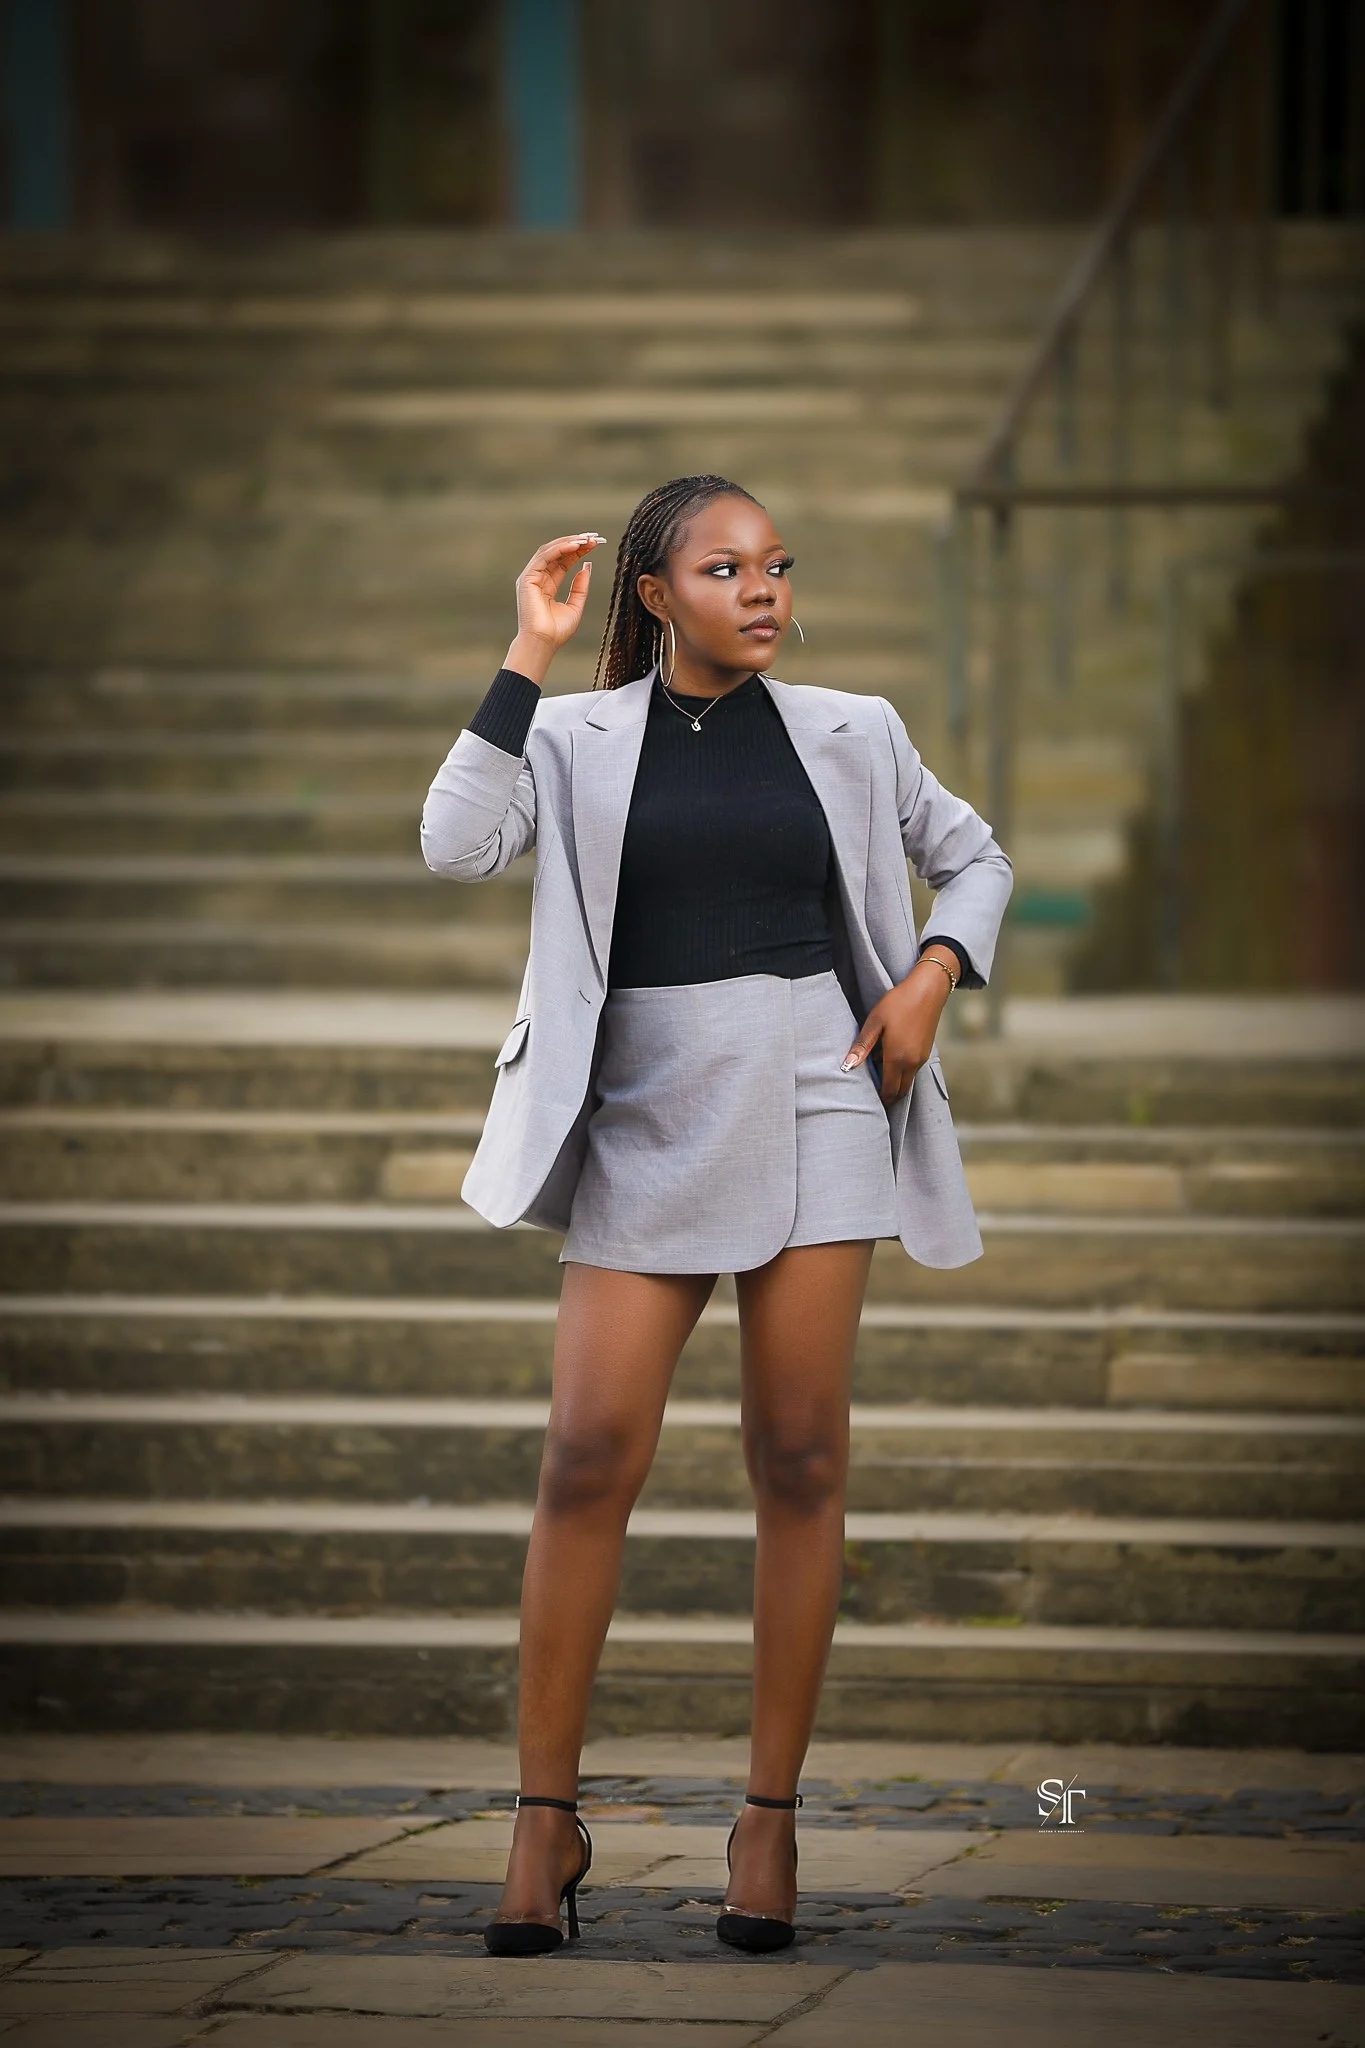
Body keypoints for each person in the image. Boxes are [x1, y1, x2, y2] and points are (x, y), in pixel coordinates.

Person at [421, 474, 1012, 1957]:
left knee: (800, 1456)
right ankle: (542, 1822)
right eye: (725, 567)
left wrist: (931, 977)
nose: (763, 590)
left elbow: (980, 856)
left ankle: (769, 1823)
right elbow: (453, 845)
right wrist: (526, 652)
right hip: (643, 1113)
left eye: (778, 566)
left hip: (822, 1093)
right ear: (654, 593)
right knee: (585, 1455)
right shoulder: (570, 736)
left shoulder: (853, 730)